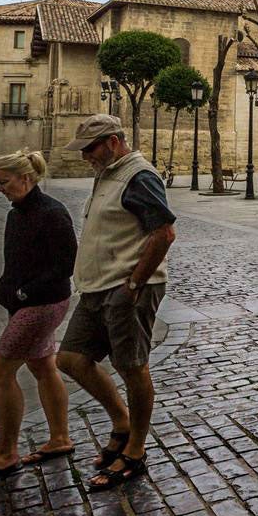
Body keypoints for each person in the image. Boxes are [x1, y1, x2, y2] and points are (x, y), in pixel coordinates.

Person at [56, 114, 175, 492]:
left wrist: (136, 281)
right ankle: (121, 421)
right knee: (70, 359)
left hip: (127, 288)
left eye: (90, 149)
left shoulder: (138, 176)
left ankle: (136, 449)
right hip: (96, 287)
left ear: (112, 141)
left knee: (132, 367)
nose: (85, 157)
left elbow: (164, 233)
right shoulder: (107, 172)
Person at [0, 150, 77, 487]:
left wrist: (25, 293)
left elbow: (65, 264)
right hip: (27, 303)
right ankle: (59, 438)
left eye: (4, 182)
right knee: (42, 366)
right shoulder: (18, 213)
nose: (0, 189)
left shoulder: (52, 213)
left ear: (26, 178)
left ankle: (6, 452)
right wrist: (6, 287)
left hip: (42, 304)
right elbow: (16, 259)